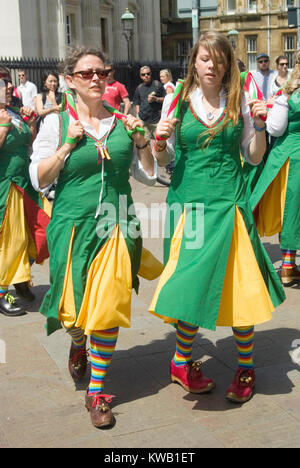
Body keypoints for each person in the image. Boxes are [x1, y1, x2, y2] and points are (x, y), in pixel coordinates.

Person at [149, 32, 285, 405]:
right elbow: (164, 161)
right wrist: (159, 143)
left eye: (220, 60)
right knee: (189, 286)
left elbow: (254, 157)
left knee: (238, 285)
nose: (212, 66)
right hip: (188, 205)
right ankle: (181, 362)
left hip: (229, 202)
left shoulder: (239, 100)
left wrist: (259, 126)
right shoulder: (176, 100)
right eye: (206, 59)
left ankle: (245, 367)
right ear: (194, 62)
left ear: (228, 66)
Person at [30, 47, 162, 429]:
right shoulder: (57, 123)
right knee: (72, 312)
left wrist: (142, 143)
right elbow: (40, 178)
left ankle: (98, 391)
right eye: (85, 73)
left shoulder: (124, 121)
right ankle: (76, 342)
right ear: (70, 79)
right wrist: (68, 145)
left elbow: (150, 175)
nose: (95, 79)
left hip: (117, 224)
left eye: (101, 72)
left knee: (107, 306)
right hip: (71, 226)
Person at [0, 66, 51, 317]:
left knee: (37, 233)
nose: (9, 86)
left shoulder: (11, 111)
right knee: (8, 240)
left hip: (24, 185)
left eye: (8, 82)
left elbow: (27, 144)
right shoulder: (5, 117)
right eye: (2, 82)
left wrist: (30, 124)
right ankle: (1, 290)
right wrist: (2, 128)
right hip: (4, 187)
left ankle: (20, 277)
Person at [250, 50, 300, 287]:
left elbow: (276, 129)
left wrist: (266, 116)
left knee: (288, 210)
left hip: (290, 157)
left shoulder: (286, 95)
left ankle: (288, 267)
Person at [133, 66, 165, 141]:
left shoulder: (157, 85)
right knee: (145, 142)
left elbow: (166, 99)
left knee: (160, 142)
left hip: (156, 120)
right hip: (143, 120)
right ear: (141, 76)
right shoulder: (139, 88)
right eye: (143, 74)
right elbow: (137, 103)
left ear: (151, 74)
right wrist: (138, 116)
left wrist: (156, 99)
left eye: (148, 73)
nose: (146, 76)